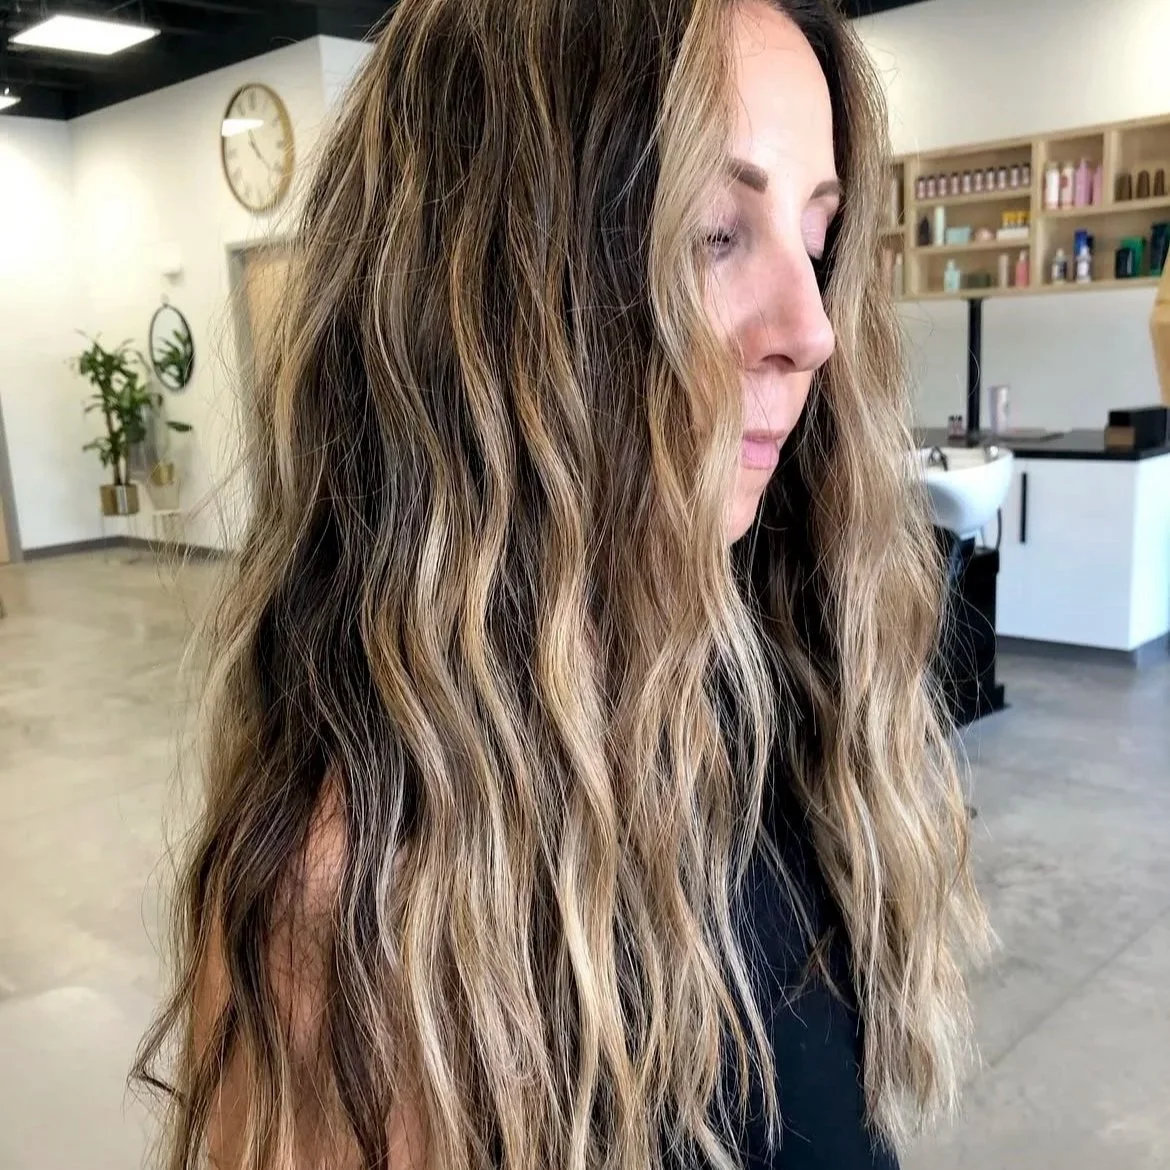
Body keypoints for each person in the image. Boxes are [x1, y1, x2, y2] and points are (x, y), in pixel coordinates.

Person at [135, 0, 989, 1167]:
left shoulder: (782, 706)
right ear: (495, 300)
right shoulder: (359, 901)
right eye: (713, 231)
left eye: (817, 238)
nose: (811, 327)